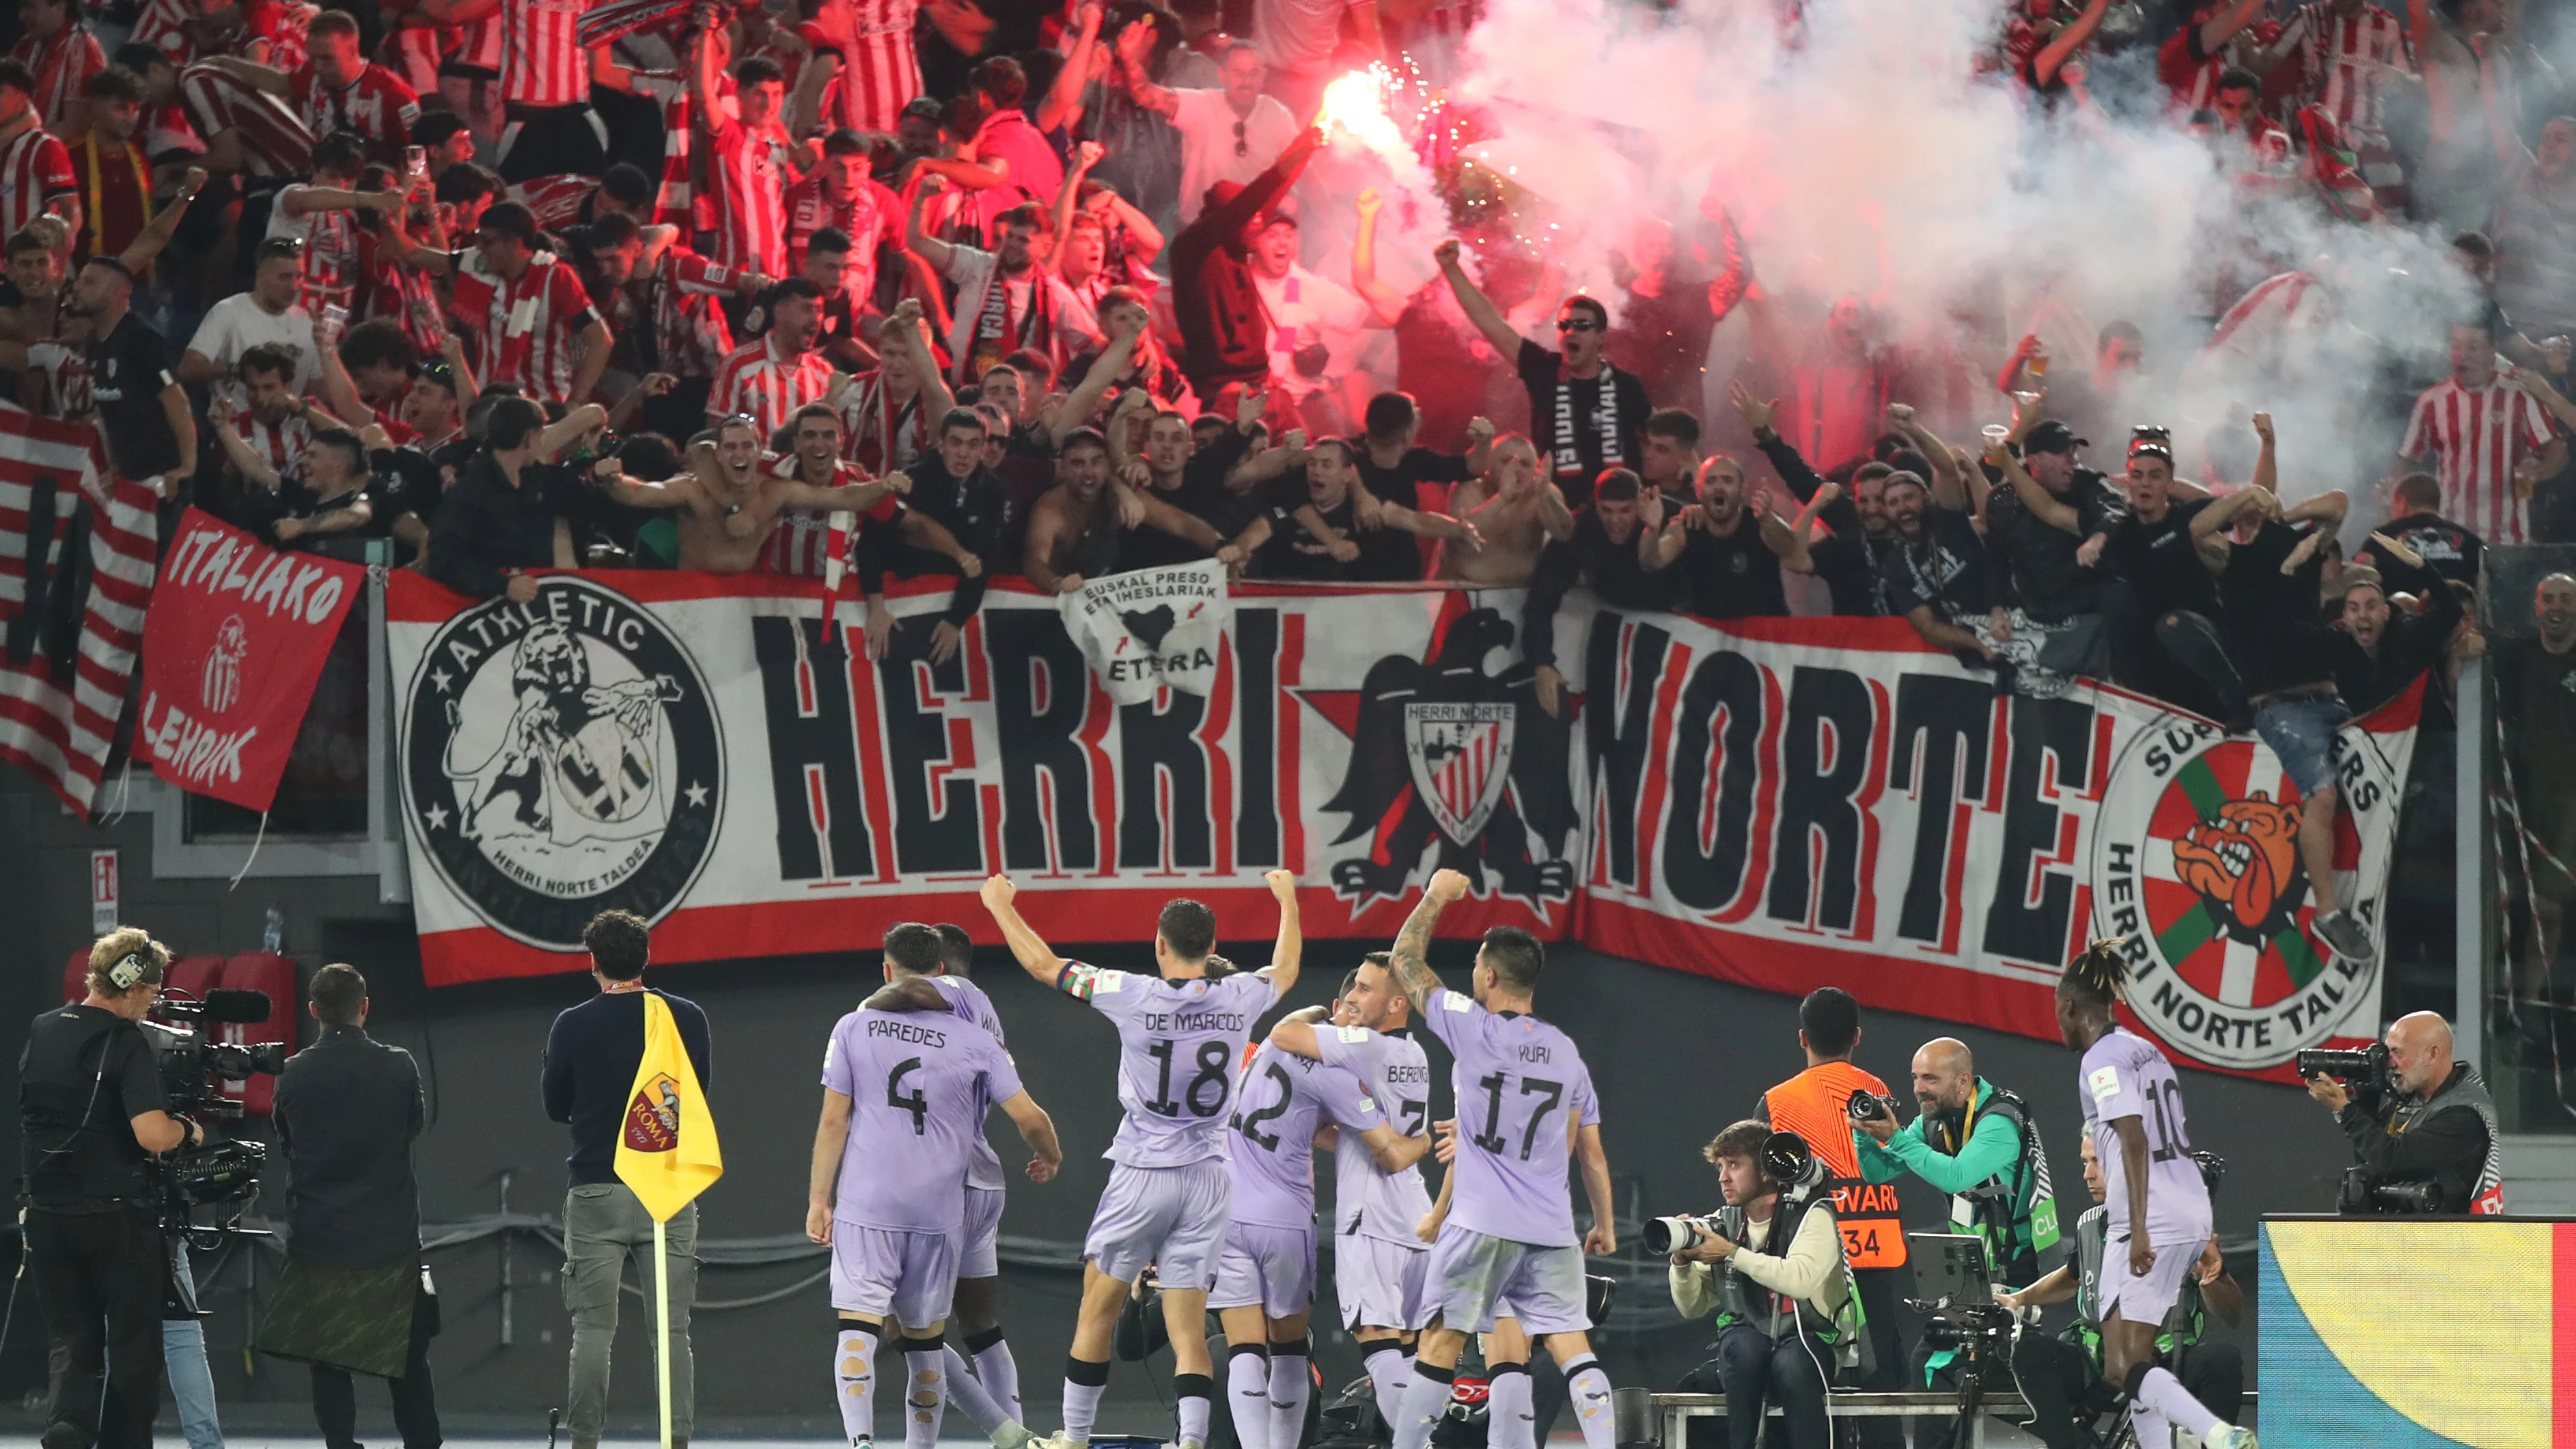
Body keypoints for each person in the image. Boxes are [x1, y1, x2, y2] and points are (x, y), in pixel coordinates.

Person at [976, 869, 1303, 1449]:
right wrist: (1287, 900)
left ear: (1159, 943)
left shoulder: (1132, 993)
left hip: (1144, 1171)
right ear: (1212, 946)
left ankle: (1073, 1439)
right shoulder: (1240, 995)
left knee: (1097, 1307)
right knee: (1188, 1324)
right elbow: (1286, 968)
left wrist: (1000, 906)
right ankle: (1194, 1441)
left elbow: (1044, 965)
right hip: (1208, 1176)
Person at [1374, 869, 1620, 1449]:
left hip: (1481, 1222)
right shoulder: (1566, 1052)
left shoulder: (1473, 1026)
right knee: (1572, 1348)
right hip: (1551, 1228)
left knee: (1439, 1345)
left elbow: (1405, 960)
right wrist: (1603, 1225)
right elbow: (1591, 1153)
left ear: (1488, 974)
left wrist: (1435, 895)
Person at [806, 923, 1064, 1449]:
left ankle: (881, 1437)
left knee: (893, 1325)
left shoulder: (897, 1007)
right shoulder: (980, 1020)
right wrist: (1049, 1154)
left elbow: (907, 992)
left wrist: (818, 1197)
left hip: (931, 1180)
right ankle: (1007, 1433)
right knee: (973, 1325)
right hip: (970, 1183)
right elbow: (1023, 1108)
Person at [2053, 941, 2256, 1449]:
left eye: (2058, 1013)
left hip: (2149, 1215)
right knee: (2137, 1364)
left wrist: (2139, 1227)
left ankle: (2218, 1433)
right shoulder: (2146, 1050)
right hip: (2188, 1203)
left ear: (2072, 1008)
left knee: (2121, 1365)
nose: (2058, 1024)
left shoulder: (2099, 1059)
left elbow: (2133, 1136)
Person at [1206, 999, 1426, 1449]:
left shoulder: (1266, 1045)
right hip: (1284, 1217)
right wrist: (1423, 1138)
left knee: (1243, 1349)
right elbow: (1389, 1153)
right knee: (1289, 1350)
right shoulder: (1340, 1076)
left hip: (1226, 1211)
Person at [18, 928, 199, 1449]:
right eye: (151, 991)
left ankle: (69, 1428)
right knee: (132, 1343)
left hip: (49, 1215)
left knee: (72, 1339)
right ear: (130, 982)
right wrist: (190, 1129)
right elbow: (153, 1135)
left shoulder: (43, 1028)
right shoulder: (126, 1042)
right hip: (115, 1219)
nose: (153, 1002)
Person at [541, 909, 715, 1449]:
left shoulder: (571, 1023)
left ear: (591, 961)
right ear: (647, 957)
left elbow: (554, 1105)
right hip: (666, 1189)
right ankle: (676, 1440)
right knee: (671, 1333)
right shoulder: (686, 1017)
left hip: (596, 1189)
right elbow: (694, 1096)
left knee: (592, 1331)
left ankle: (585, 1441)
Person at [269, 963, 440, 1449]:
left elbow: (287, 1140)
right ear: (364, 1007)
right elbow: (413, 1126)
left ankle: (341, 1444)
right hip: (390, 1238)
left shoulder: (293, 1072)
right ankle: (424, 1443)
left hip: (319, 1237)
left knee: (327, 1356)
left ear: (313, 1011)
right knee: (408, 1357)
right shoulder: (400, 1065)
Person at [1262, 954, 1433, 1437]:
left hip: (1372, 1220)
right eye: (1353, 987)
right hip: (1417, 1220)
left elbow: (1283, 1035)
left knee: (1378, 1347)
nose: (1355, 998)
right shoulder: (1414, 1053)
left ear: (1397, 1002)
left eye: (1364, 989)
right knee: (1409, 1352)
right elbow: (1371, 1136)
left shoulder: (1366, 1046)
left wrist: (1328, 1015)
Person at [1994, 1135, 2244, 1449]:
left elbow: (2232, 1315)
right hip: (2096, 1359)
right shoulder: (2089, 1224)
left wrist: (2212, 1277)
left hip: (2164, 1359)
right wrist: (2020, 1298)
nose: (2087, 1174)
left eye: (2097, 1162)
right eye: (2085, 1162)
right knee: (2031, 1351)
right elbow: (2073, 1277)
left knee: (2222, 1359)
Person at [1751, 988, 1903, 1449]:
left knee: (1809, 1363)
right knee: (1881, 1377)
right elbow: (1898, 1157)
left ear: (1802, 1038)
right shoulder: (1877, 1093)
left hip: (1809, 1258)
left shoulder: (1775, 1102)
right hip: (1875, 1249)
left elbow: (1761, 1186)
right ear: (1856, 1035)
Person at [1667, 1120, 1853, 1449]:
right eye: (1720, 1166)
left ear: (1767, 1171)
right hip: (1749, 1346)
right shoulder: (1725, 1223)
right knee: (1743, 1347)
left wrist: (1731, 1253)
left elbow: (1798, 1280)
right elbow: (1693, 1307)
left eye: (1735, 1165)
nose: (1723, 1177)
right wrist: (1681, 1265)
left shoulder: (1813, 1216)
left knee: (1792, 1364)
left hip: (1810, 1338)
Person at [1439, 242, 1646, 508]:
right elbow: (1489, 322)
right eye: (1564, 326)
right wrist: (1452, 269)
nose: (1571, 332)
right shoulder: (1544, 369)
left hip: (1617, 513)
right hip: (1554, 509)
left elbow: (1661, 444)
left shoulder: (1627, 386)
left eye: (1582, 326)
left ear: (1600, 338)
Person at [1169, 127, 1324, 402]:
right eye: (1251, 219)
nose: (1260, 225)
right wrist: (1290, 160)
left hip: (1261, 387)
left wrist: (1303, 149)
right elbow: (1251, 201)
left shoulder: (1237, 244)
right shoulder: (1193, 249)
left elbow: (1272, 193)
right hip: (1225, 395)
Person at [2303, 1011, 2504, 1214]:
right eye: (2388, 1053)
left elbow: (2392, 1160)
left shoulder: (2464, 1114)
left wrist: (2344, 1109)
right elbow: (2371, 1159)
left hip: (2451, 1240)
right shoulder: (2409, 1098)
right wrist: (2367, 1098)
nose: (2389, 1063)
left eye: (2397, 1053)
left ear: (2432, 1054)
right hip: (2405, 1234)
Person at [2394, 316, 2564, 547]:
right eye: (2456, 346)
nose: (2463, 355)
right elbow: (2407, 459)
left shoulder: (2519, 396)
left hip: (2507, 538)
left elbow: (2557, 451)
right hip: (2448, 538)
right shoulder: (2431, 400)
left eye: (2473, 348)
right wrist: (2393, 489)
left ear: (2493, 351)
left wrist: (2538, 471)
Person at [1522, 470, 1677, 716]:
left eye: (1625, 510)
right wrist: (1541, 662)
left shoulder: (1669, 514)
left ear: (1640, 504)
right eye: (1607, 510)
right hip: (1618, 626)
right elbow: (1541, 598)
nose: (1615, 521)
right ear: (1596, 506)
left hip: (1677, 621)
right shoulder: (1583, 528)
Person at [422, 395, 579, 600]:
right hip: (483, 613)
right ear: (529, 438)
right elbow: (443, 557)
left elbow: (587, 501)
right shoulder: (470, 488)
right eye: (541, 436)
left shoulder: (539, 479)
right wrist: (502, 586)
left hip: (536, 609)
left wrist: (606, 478)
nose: (543, 444)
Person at [71, 255, 192, 497]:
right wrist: (117, 467)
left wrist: (187, 467)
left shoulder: (141, 339)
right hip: (131, 477)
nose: (78, 288)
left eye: (90, 282)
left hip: (160, 479)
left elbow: (176, 399)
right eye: (80, 281)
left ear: (121, 291)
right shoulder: (97, 342)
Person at [1643, 450, 1810, 621]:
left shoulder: (1760, 521)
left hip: (1764, 640)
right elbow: (1652, 561)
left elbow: (1791, 550)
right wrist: (1651, 529)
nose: (1719, 487)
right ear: (1698, 490)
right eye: (1710, 481)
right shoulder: (1688, 525)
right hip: (1711, 640)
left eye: (1728, 480)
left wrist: (1768, 518)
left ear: (1742, 489)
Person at [1441, 434, 1571, 588]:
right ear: (1487, 466)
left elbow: (1565, 533)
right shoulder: (1467, 489)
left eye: (1525, 464)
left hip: (1521, 593)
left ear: (1535, 470)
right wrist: (1502, 499)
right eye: (1506, 461)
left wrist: (1545, 497)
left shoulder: (1543, 492)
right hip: (1465, 591)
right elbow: (1459, 535)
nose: (1515, 469)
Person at [2351, 472, 2485, 592]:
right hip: (2460, 618)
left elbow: (2357, 581)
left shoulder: (2381, 538)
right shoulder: (2470, 541)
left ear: (2402, 502)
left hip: (2400, 618)